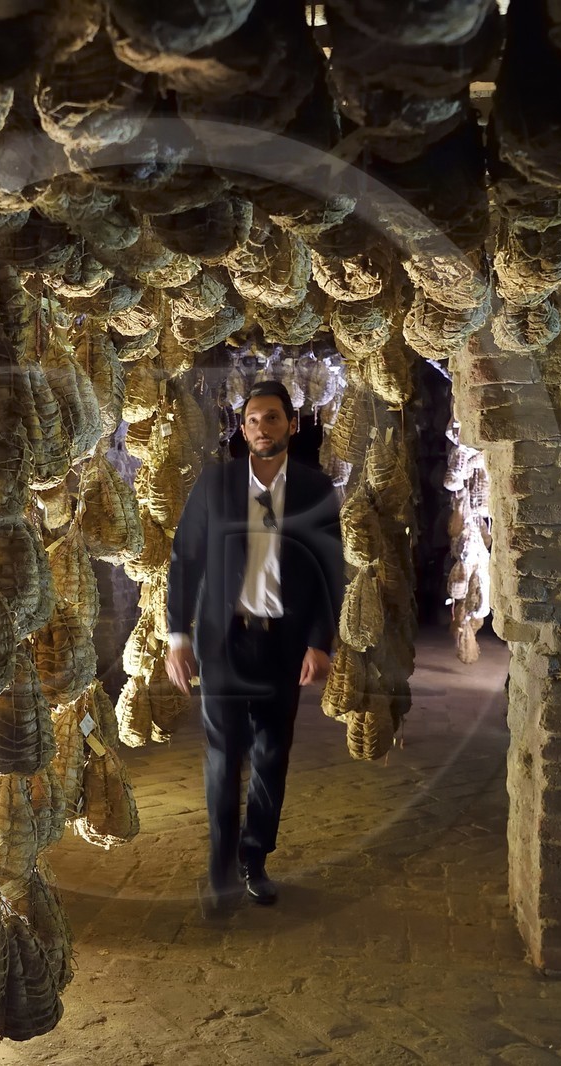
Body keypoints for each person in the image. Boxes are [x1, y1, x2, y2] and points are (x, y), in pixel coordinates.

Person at [165, 380, 345, 917]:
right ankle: (219, 872)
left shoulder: (315, 489)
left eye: (271, 418)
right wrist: (177, 637)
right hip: (223, 641)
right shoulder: (215, 484)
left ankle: (254, 858)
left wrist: (319, 642)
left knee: (271, 753)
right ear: (242, 430)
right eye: (251, 420)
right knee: (223, 755)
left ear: (291, 423)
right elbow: (184, 558)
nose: (261, 428)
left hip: (282, 643)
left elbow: (329, 571)